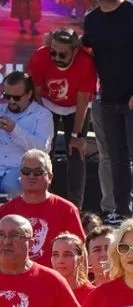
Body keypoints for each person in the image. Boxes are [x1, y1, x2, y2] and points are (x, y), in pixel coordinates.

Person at [82, 0, 133, 220]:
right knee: (116, 155)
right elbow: (86, 51)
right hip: (111, 97)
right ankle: (121, 211)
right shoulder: (92, 19)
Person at [27, 29, 98, 209]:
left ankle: (75, 207)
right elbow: (36, 92)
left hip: (76, 106)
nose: (56, 57)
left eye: (62, 54)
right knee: (44, 152)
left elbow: (83, 99)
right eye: (53, 52)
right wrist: (42, 123)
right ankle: (40, 201)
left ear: (75, 50)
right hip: (47, 103)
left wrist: (76, 134)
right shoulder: (40, 56)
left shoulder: (86, 62)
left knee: (75, 152)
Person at [0, 149, 85, 267]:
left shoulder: (67, 210)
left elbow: (81, 252)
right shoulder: (5, 212)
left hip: (54, 281)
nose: (31, 176)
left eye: (38, 172)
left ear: (50, 177)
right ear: (20, 175)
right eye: (26, 171)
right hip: (13, 281)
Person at [0, 72, 55, 197]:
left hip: (21, 169)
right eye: (7, 96)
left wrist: (14, 130)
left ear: (29, 94)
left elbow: (43, 150)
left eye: (17, 97)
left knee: (12, 185)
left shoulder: (42, 115)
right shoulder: (1, 109)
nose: (11, 101)